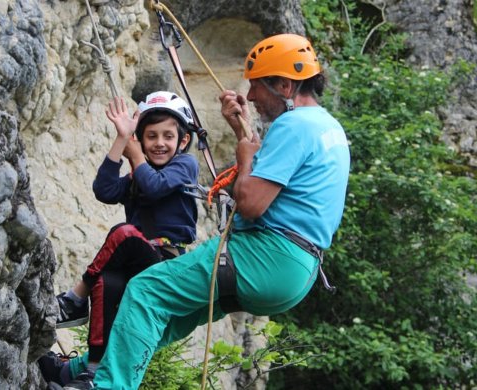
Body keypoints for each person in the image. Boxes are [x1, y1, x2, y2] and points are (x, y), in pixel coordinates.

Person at [61, 33, 351, 390]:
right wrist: (241, 129)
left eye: (257, 86)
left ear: (285, 85)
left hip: (264, 256)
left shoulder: (294, 126)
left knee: (145, 291)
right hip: (295, 273)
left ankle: (107, 387)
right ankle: (75, 371)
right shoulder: (328, 128)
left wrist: (244, 159)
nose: (252, 96)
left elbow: (252, 203)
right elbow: (277, 183)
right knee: (167, 318)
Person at [37, 91, 201, 387]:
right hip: (138, 262)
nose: (160, 143)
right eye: (151, 136)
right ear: (141, 138)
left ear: (183, 141)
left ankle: (75, 299)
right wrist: (121, 141)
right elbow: (104, 189)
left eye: (168, 136)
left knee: (123, 233)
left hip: (165, 261)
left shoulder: (184, 167)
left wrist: (136, 154)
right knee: (107, 283)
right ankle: (93, 369)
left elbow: (155, 186)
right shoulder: (138, 175)